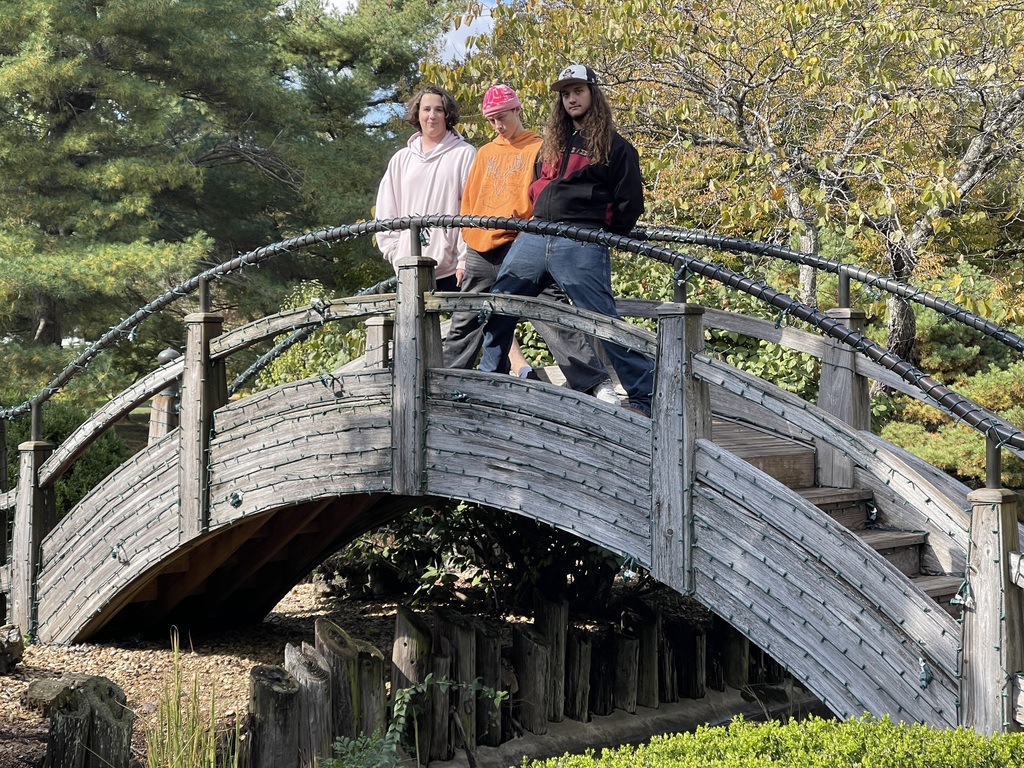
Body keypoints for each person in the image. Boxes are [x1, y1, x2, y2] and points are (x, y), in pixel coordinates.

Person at [478, 64, 655, 416]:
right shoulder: (550, 146)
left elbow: (629, 203)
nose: (571, 98)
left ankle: (643, 397)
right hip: (535, 235)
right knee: (498, 305)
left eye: (578, 91)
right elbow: (535, 188)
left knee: (601, 319)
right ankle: (490, 383)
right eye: (565, 93)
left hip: (580, 241)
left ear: (593, 94)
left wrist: (600, 233)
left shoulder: (616, 148)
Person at [443, 84, 617, 401]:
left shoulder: (540, 146)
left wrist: (534, 236)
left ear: (517, 110)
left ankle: (593, 382)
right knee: (468, 317)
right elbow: (468, 203)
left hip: (525, 243)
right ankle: (449, 382)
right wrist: (464, 250)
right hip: (481, 247)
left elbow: (544, 195)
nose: (498, 125)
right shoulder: (484, 153)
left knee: (550, 313)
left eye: (502, 116)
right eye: (492, 119)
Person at [374, 85, 476, 291]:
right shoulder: (401, 159)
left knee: (459, 324)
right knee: (409, 324)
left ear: (448, 114)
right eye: (426, 109)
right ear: (417, 113)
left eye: (439, 109)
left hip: (452, 269)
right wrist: (395, 252)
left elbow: (472, 210)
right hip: (408, 267)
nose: (432, 115)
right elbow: (386, 210)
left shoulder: (465, 154)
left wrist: (465, 260)